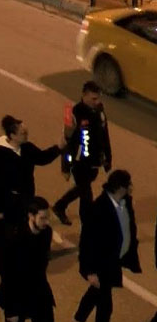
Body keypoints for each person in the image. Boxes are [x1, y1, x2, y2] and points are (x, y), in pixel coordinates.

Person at [68, 170, 138, 322]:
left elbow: (129, 226)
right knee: (105, 309)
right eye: (129, 183)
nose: (131, 186)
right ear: (120, 187)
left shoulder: (125, 201)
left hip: (113, 261)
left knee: (96, 292)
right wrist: (89, 271)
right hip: (101, 264)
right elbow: (86, 242)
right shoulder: (98, 208)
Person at [0, 115, 61, 272]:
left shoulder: (26, 148)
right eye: (23, 133)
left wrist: (58, 148)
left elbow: (42, 158)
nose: (26, 135)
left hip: (26, 200)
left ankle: (22, 262)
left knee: (23, 231)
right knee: (5, 235)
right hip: (7, 202)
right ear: (12, 135)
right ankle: (2, 266)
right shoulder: (0, 155)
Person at [0, 197, 55, 322]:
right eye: (42, 218)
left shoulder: (46, 233)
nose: (46, 222)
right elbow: (5, 272)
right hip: (16, 294)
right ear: (31, 215)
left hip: (39, 290)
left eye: (47, 218)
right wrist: (11, 309)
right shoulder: (12, 237)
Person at [53, 81, 113, 226]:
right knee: (86, 195)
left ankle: (60, 206)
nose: (97, 101)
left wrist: (107, 157)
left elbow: (105, 135)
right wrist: (66, 166)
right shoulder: (75, 113)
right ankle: (88, 224)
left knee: (81, 188)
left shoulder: (99, 111)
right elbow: (67, 142)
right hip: (80, 161)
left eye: (98, 98)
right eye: (93, 98)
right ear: (84, 95)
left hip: (94, 160)